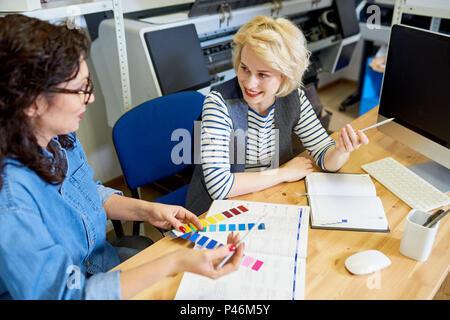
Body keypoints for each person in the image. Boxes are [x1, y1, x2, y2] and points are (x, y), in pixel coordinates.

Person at [0, 14, 243, 300]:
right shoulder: (10, 200)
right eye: (80, 89)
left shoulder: (58, 137)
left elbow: (89, 194)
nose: (89, 99)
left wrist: (149, 211)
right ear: (32, 102)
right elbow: (64, 295)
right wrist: (172, 263)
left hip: (99, 264)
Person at [186, 16, 369, 215]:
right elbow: (220, 187)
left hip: (266, 195)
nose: (249, 83)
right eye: (245, 68)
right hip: (213, 211)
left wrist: (341, 151)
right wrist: (283, 173)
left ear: (285, 75)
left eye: (263, 74)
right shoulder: (218, 104)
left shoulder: (294, 98)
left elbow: (325, 157)